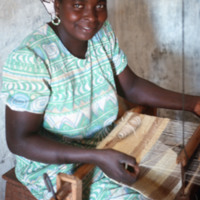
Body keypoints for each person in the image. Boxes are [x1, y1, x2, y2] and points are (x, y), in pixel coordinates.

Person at [1, 0, 200, 199]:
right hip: (57, 168)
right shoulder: (31, 59)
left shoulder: (101, 34)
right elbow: (20, 141)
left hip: (105, 145)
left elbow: (130, 87)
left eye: (99, 6)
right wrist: (96, 157)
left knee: (183, 177)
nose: (92, 17)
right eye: (78, 5)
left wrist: (193, 103)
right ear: (58, 6)